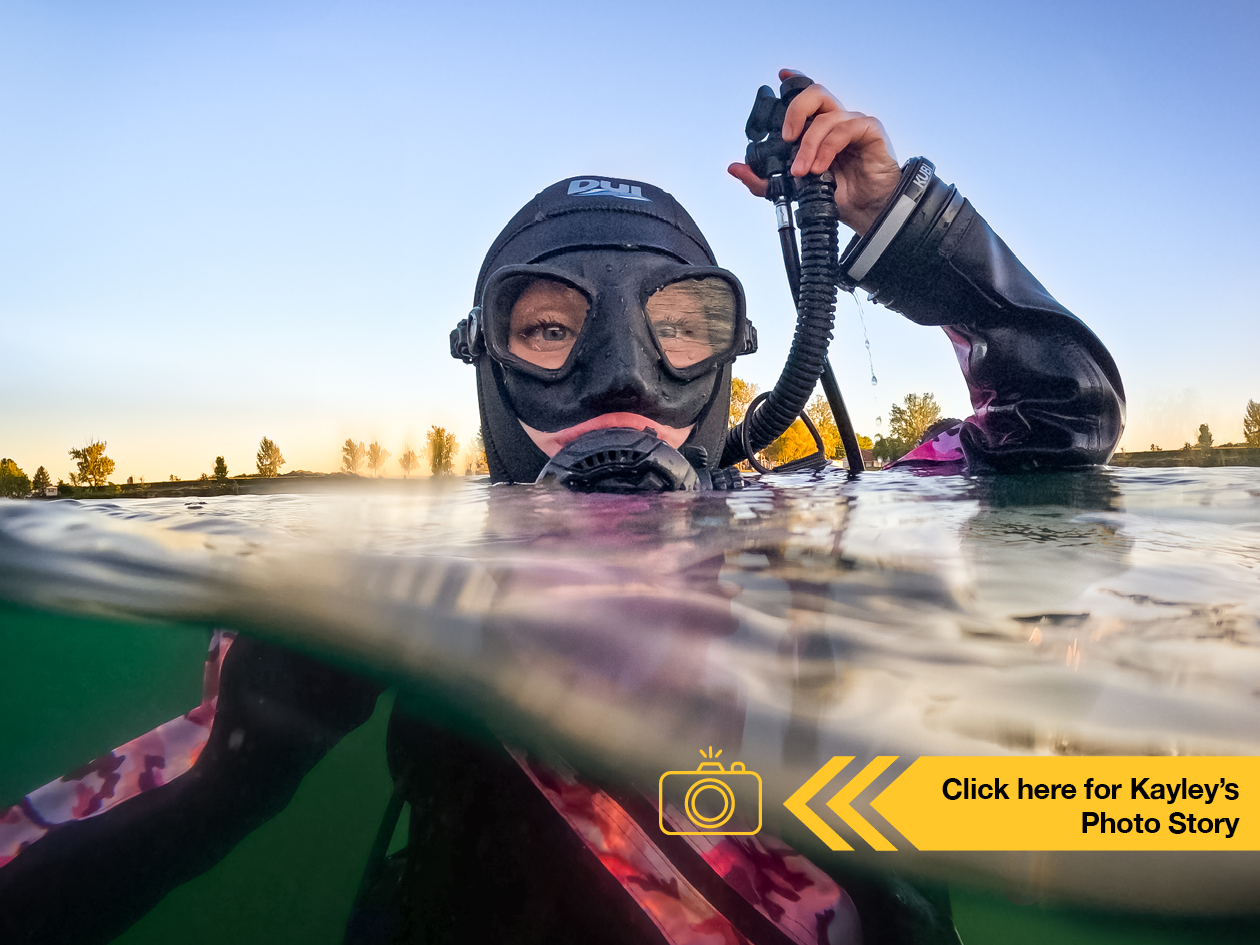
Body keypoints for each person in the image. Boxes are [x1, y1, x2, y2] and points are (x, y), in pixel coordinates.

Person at [0, 71, 1123, 945]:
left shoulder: (822, 520)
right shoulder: (395, 579)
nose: (623, 380)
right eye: (548, 330)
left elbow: (1059, 416)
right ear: (487, 361)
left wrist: (898, 228)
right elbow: (147, 808)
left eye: (678, 325)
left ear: (732, 355)